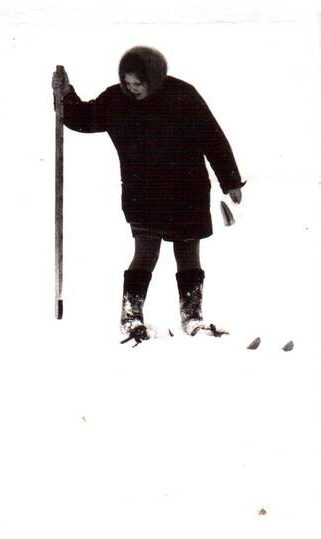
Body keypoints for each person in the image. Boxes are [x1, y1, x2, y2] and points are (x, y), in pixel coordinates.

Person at [52, 46, 244, 343]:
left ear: (154, 78)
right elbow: (83, 118)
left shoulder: (183, 95)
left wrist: (229, 180)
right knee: (144, 254)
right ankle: (131, 318)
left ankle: (192, 318)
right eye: (128, 83)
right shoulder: (115, 100)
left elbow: (212, 137)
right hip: (143, 194)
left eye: (138, 84)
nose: (132, 89)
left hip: (187, 190)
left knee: (188, 254)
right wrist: (65, 96)